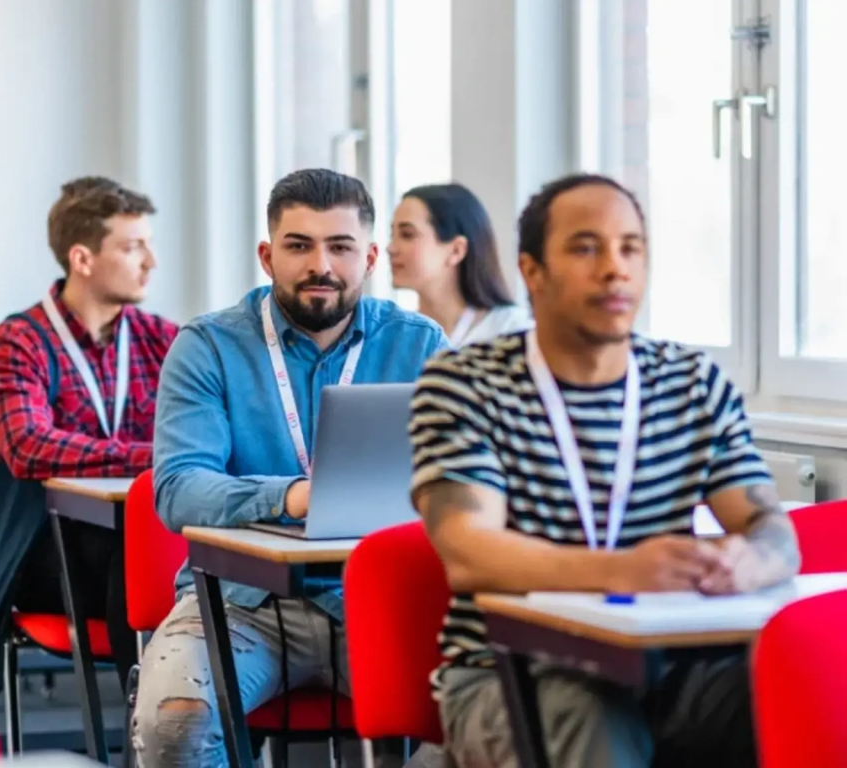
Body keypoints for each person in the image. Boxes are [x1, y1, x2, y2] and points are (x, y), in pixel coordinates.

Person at [409, 173, 801, 768]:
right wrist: (623, 570)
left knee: (808, 685)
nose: (615, 269)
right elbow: (469, 552)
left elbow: (769, 524)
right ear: (532, 272)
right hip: (507, 671)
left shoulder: (692, 383)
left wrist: (750, 562)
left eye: (630, 247)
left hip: (667, 664)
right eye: (586, 248)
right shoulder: (464, 384)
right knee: (588, 705)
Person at [133, 168, 449, 766]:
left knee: (489, 710)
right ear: (266, 255)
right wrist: (295, 496)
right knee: (176, 719)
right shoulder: (209, 347)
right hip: (240, 604)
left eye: (340, 247)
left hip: (382, 600)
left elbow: (464, 480)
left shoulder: (421, 345)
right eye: (299, 246)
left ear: (371, 256)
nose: (320, 265)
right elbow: (178, 488)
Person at [0, 176, 179, 690]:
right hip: (42, 543)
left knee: (186, 558)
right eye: (133, 248)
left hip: (134, 531)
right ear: (82, 259)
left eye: (149, 246)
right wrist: (154, 456)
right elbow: (28, 447)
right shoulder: (15, 342)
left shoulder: (166, 340)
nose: (150, 262)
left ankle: (186, 718)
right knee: (132, 559)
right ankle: (148, 723)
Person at [389, 182, 530, 346]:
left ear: (456, 250)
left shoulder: (511, 329)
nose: (391, 248)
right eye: (392, 235)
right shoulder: (397, 335)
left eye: (407, 235)